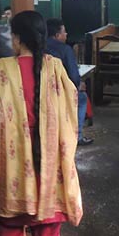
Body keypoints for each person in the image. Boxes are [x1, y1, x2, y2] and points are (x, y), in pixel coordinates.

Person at [0, 11, 83, 236]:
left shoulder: (1, 70)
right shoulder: (54, 67)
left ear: (17, 38)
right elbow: (71, 106)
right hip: (49, 168)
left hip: (14, 171)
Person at [45, 18, 93, 146]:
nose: (66, 35)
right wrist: (78, 85)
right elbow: (73, 76)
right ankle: (77, 136)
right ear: (57, 35)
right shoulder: (65, 49)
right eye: (64, 32)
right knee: (82, 97)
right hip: (61, 92)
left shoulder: (39, 47)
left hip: (43, 90)